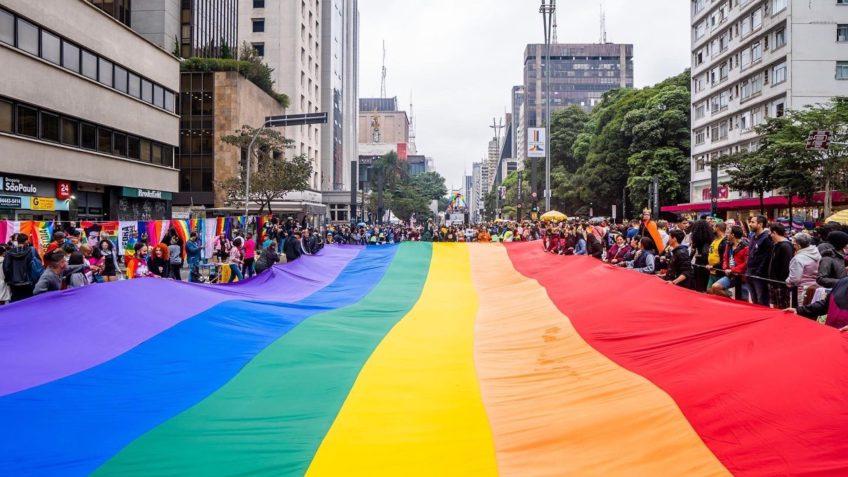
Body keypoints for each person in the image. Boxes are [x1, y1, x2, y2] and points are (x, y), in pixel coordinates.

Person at [710, 225, 749, 299]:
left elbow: (746, 263)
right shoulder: (729, 245)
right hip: (730, 275)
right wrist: (726, 268)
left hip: (742, 277)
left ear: (733, 235)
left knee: (743, 300)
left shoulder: (746, 246)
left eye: (728, 232)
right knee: (715, 287)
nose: (726, 234)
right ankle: (730, 299)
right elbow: (725, 258)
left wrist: (732, 270)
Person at [786, 232, 821, 306]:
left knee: (801, 313)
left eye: (794, 244)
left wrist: (788, 281)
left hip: (802, 291)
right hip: (816, 289)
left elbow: (795, 278)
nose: (793, 246)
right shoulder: (817, 252)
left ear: (798, 245)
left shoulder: (798, 258)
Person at [3, 234, 40, 302]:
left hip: (14, 283)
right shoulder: (32, 250)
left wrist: (9, 280)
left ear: (17, 241)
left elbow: (6, 268)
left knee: (16, 304)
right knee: (29, 302)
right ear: (26, 241)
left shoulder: (9, 253)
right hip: (29, 282)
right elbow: (38, 265)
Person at [746, 215, 773, 306]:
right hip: (750, 273)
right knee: (754, 301)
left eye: (753, 222)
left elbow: (767, 258)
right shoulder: (753, 237)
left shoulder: (766, 238)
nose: (750, 224)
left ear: (760, 224)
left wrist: (758, 272)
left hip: (759, 276)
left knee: (762, 301)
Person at [767, 223, 794, 309]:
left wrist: (781, 283)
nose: (770, 235)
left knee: (782, 307)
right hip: (774, 283)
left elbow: (786, 267)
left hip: (781, 284)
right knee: (776, 306)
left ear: (774, 233)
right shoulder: (777, 244)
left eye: (770, 233)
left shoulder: (785, 246)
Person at [690, 220, 715, 292]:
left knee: (699, 287)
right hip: (706, 266)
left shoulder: (698, 242)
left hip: (700, 265)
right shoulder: (711, 240)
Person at [706, 222, 727, 289]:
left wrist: (714, 266)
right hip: (712, 271)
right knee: (709, 290)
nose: (713, 229)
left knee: (718, 291)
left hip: (719, 272)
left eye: (714, 227)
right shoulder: (714, 240)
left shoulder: (724, 241)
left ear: (718, 228)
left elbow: (724, 259)